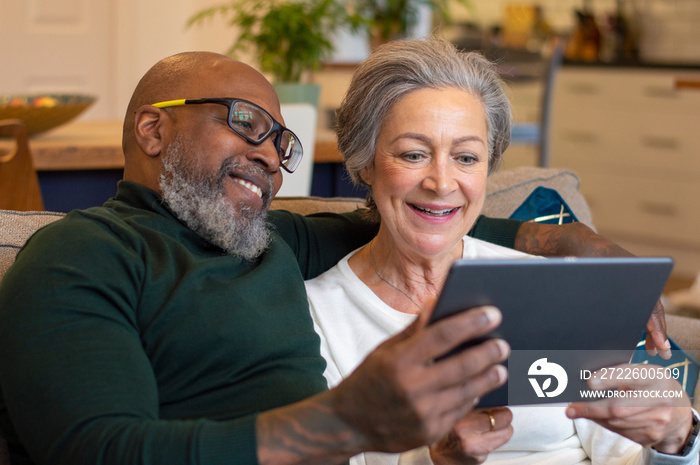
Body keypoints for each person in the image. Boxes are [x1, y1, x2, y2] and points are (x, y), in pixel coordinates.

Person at [0, 50, 672, 465]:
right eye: (245, 122)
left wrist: (561, 237)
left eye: (281, 143)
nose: (270, 154)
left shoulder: (272, 239)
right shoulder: (81, 254)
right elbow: (101, 451)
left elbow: (422, 214)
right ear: (153, 127)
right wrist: (344, 420)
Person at [305, 36, 699, 465]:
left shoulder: (547, 284)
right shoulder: (318, 314)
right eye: (414, 154)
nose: (442, 182)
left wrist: (681, 436)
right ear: (365, 162)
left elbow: (627, 452)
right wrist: (433, 460)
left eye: (467, 158)